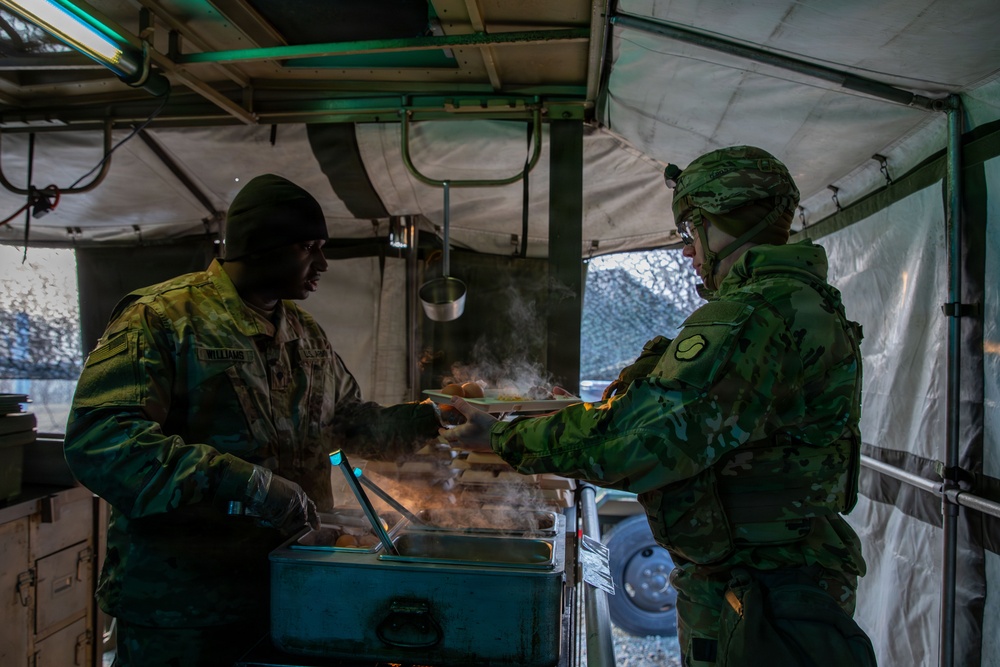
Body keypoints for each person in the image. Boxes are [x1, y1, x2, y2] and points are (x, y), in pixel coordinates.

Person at [441, 146, 877, 666]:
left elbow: (646, 442)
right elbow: (680, 414)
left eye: (691, 231)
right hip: (785, 573)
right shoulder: (801, 302)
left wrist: (502, 437)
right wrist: (576, 417)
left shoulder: (752, 316)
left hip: (762, 585)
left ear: (724, 222)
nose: (689, 251)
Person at [64, 174, 441, 667]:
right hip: (187, 609)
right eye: (310, 247)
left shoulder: (304, 333)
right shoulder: (161, 319)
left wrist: (432, 420)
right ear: (262, 246)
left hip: (293, 592)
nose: (323, 263)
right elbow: (102, 442)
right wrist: (244, 482)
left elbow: (350, 423)